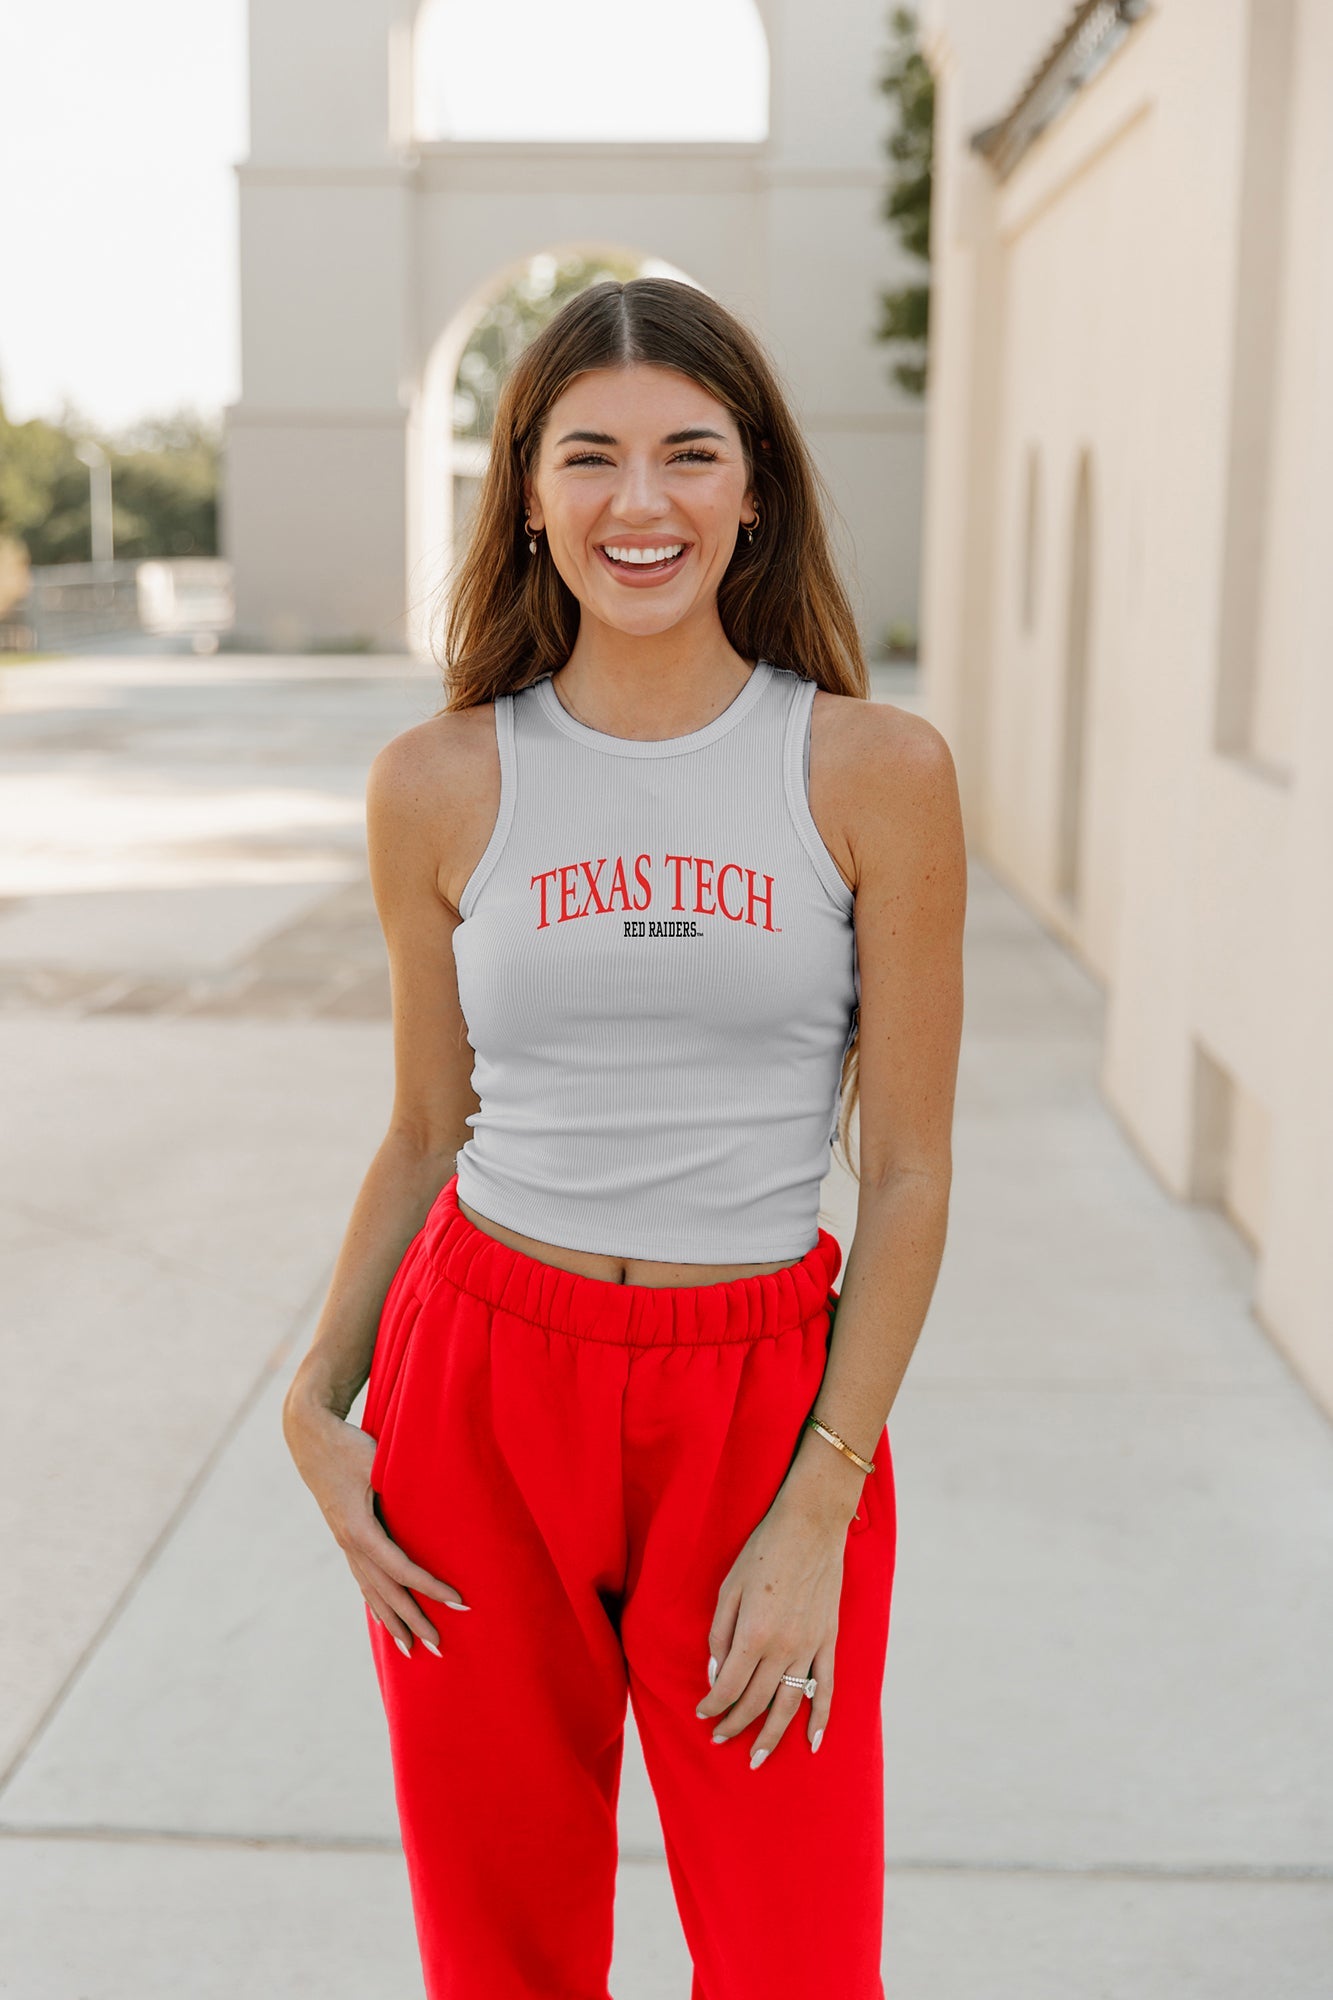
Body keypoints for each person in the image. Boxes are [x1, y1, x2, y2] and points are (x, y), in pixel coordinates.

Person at [282, 276, 966, 2000]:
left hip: (759, 1409)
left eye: (687, 454)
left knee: (795, 1955)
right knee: (498, 1945)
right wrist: (317, 1393)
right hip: (479, 1382)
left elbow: (904, 1173)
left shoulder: (870, 769)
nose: (637, 503)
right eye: (589, 457)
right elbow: (428, 1127)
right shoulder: (438, 780)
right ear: (523, 491)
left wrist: (819, 1499)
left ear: (757, 490)